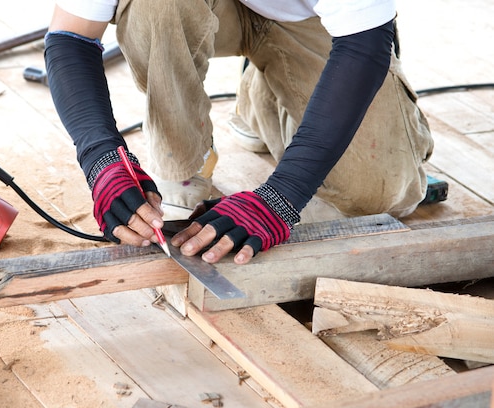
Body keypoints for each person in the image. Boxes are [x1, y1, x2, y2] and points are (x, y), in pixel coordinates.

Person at [44, 0, 434, 265]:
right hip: (194, 10)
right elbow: (70, 37)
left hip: (308, 19)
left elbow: (364, 45)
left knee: (378, 193)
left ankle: (263, 97)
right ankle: (184, 161)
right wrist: (102, 160)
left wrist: (281, 198)